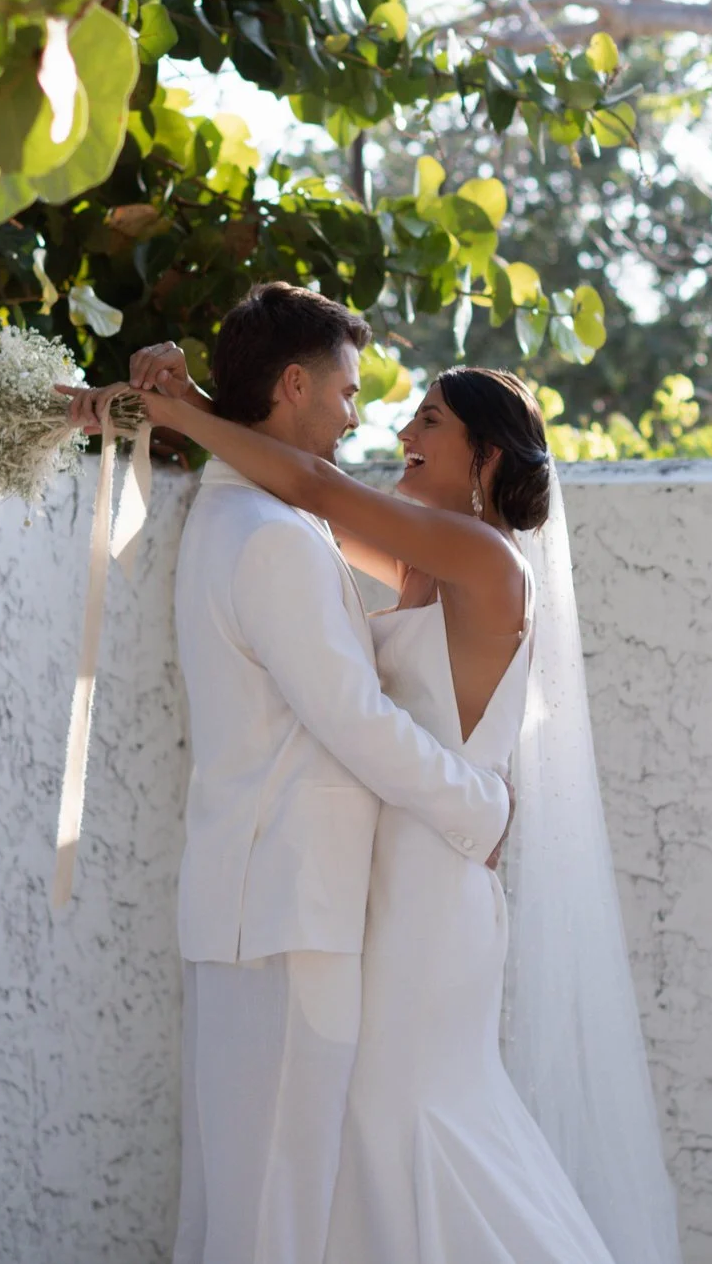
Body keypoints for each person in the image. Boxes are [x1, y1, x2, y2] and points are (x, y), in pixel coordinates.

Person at [70, 290, 681, 1263]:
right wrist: (168, 408)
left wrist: (175, 410)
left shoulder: (483, 558)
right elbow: (284, 477)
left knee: (410, 1116)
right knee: (365, 1135)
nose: (398, 430)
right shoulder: (419, 561)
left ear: (485, 457)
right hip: (383, 874)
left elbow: (311, 485)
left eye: (428, 419)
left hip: (431, 882)